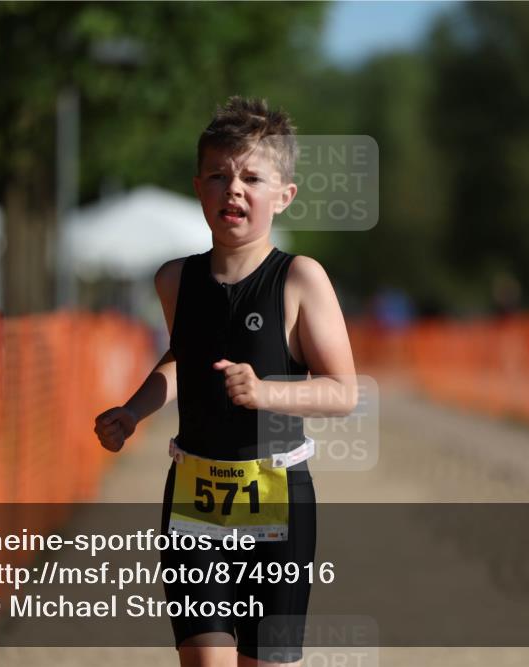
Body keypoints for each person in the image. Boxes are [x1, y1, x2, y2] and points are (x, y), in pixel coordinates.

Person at [94, 96, 357, 667]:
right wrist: (133, 411)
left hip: (278, 500)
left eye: (252, 178)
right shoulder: (174, 280)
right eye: (218, 175)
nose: (233, 189)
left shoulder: (301, 279)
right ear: (199, 188)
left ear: (283, 196)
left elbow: (343, 390)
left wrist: (267, 392)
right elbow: (180, 361)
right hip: (194, 500)